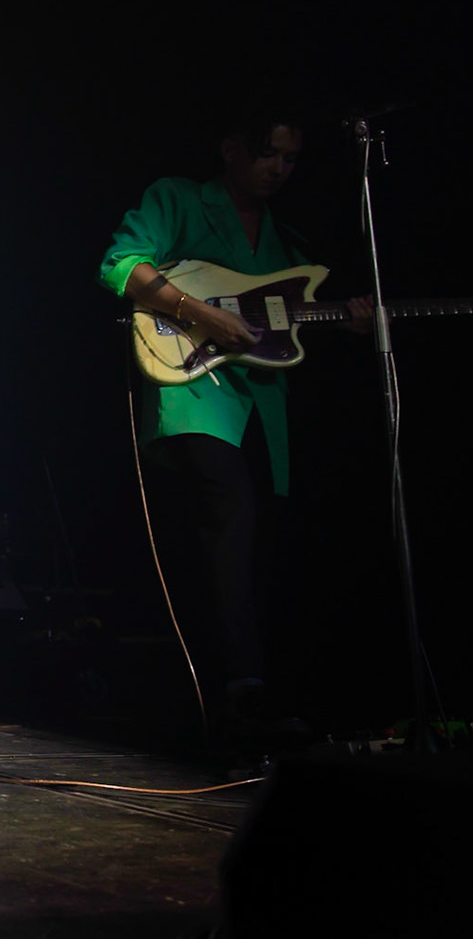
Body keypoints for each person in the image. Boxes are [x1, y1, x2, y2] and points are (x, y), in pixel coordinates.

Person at [98, 112, 366, 747]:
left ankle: (253, 690)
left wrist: (348, 321)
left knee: (260, 542)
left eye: (290, 159)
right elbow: (119, 264)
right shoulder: (179, 200)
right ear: (231, 150)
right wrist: (200, 314)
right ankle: (239, 689)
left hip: (260, 409)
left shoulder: (287, 242)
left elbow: (292, 325)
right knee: (229, 516)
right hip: (193, 391)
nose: (278, 169)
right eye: (267, 153)